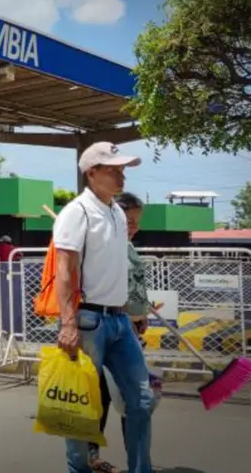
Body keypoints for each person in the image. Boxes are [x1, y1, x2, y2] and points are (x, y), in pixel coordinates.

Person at [52, 141, 152, 473]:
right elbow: (64, 270)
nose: (121, 177)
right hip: (87, 321)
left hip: (120, 321)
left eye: (123, 170)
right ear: (92, 173)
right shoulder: (76, 213)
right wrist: (68, 324)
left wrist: (132, 313)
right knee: (80, 409)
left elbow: (118, 267)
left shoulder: (117, 214)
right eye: (114, 170)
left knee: (141, 400)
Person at [88, 192, 151, 473]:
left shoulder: (128, 248)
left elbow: (135, 284)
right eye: (129, 220)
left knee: (133, 397)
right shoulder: (104, 248)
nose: (134, 226)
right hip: (105, 327)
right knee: (99, 395)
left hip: (128, 331)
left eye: (137, 222)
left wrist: (141, 315)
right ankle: (90, 457)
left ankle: (135, 462)